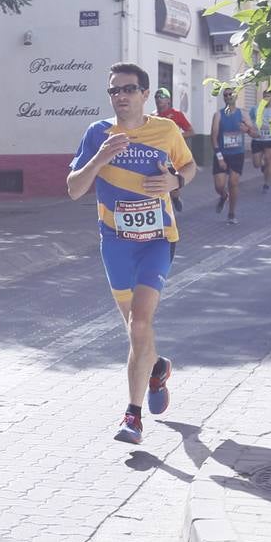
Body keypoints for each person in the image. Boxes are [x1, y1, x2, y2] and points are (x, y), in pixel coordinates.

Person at [66, 63, 197, 447]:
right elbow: (74, 189)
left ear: (144, 93)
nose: (120, 96)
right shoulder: (98, 134)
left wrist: (176, 181)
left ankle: (132, 417)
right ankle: (156, 367)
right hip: (116, 242)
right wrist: (100, 157)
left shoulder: (166, 130)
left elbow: (190, 166)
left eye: (128, 89)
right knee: (135, 328)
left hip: (158, 238)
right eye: (114, 91)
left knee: (140, 324)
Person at [209, 87, 258, 224]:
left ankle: (231, 213)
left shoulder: (243, 114)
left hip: (237, 154)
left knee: (233, 183)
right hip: (222, 154)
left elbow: (256, 134)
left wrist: (247, 129)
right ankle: (224, 196)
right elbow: (213, 137)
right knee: (219, 186)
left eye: (231, 94)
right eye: (226, 95)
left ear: (235, 97)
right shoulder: (218, 115)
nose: (228, 96)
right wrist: (219, 158)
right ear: (223, 98)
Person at [154, 87, 193, 212]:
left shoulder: (177, 115)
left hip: (172, 157)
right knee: (159, 185)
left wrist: (175, 138)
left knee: (173, 188)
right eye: (157, 97)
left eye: (162, 97)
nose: (159, 100)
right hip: (157, 156)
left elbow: (191, 131)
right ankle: (162, 211)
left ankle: (175, 198)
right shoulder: (152, 116)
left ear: (168, 100)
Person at [250, 89, 271, 191]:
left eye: (268, 96)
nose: (266, 98)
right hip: (258, 140)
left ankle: (266, 183)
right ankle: (262, 166)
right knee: (256, 164)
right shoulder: (255, 109)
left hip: (270, 140)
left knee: (268, 159)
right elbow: (250, 121)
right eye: (265, 96)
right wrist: (252, 130)